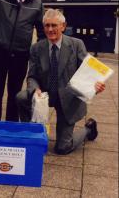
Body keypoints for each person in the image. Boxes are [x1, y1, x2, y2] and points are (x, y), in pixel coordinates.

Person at [16, 9, 105, 155]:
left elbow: (89, 70)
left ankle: (89, 129)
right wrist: (35, 89)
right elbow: (31, 76)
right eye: (47, 25)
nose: (50, 29)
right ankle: (30, 134)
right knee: (21, 97)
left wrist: (96, 84)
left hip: (68, 98)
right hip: (45, 94)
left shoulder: (77, 45)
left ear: (63, 26)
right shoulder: (36, 48)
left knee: (63, 148)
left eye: (54, 25)